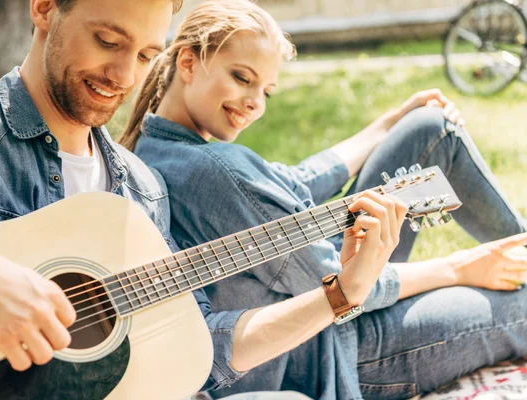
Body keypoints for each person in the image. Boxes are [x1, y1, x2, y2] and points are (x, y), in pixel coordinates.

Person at [121, 1, 527, 399]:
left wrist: (389, 122)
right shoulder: (208, 170)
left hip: (333, 292)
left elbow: (295, 183)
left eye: (266, 91)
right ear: (188, 63)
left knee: (429, 127)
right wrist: (461, 268)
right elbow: (345, 284)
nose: (254, 104)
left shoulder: (159, 146)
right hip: (344, 345)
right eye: (242, 78)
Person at [0, 0, 181, 374]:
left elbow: (177, 345)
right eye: (108, 41)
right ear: (45, 8)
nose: (125, 76)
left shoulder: (145, 193)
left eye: (145, 56)